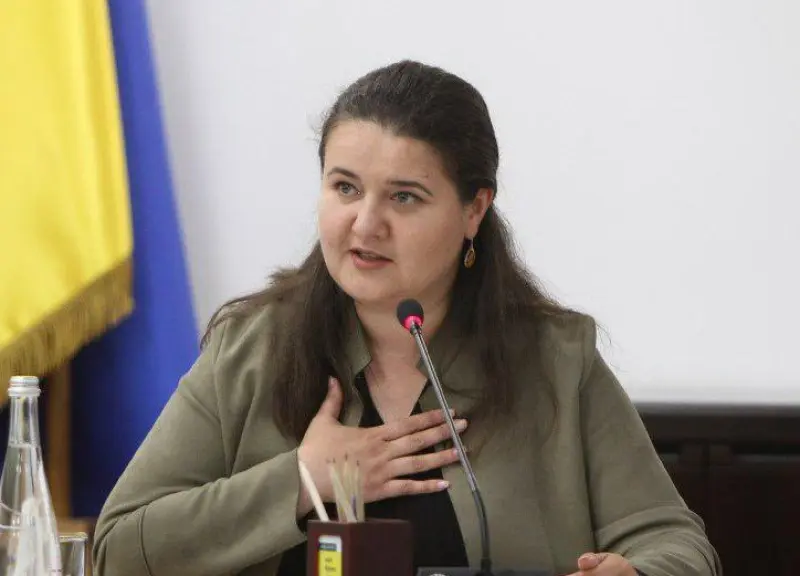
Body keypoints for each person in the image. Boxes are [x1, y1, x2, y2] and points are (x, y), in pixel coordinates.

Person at [93, 60, 721, 576]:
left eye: (404, 197)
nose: (366, 225)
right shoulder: (250, 347)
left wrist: (635, 572)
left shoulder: (556, 358)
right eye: (345, 188)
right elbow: (118, 547)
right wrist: (304, 479)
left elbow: (677, 544)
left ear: (474, 210)